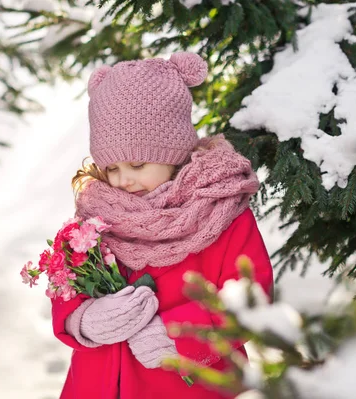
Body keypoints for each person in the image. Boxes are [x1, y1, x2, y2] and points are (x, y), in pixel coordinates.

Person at [50, 52, 274, 399]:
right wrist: (83, 319)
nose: (123, 179)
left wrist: (181, 333)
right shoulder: (97, 214)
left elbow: (250, 296)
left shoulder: (218, 209)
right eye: (111, 168)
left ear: (174, 152)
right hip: (99, 384)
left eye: (138, 164)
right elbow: (67, 284)